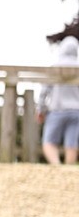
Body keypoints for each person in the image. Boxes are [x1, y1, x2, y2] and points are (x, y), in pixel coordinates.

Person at [39, 35, 79, 165]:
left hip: (57, 109)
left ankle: (57, 167)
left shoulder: (55, 67)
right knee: (72, 143)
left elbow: (45, 91)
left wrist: (41, 109)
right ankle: (68, 170)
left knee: (49, 142)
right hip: (76, 111)